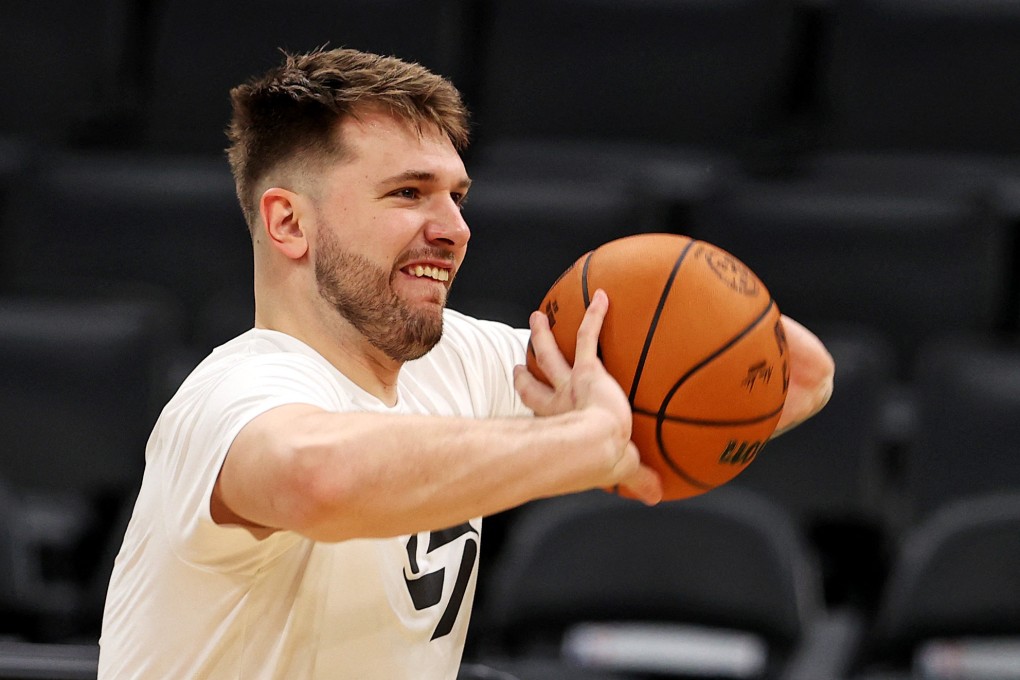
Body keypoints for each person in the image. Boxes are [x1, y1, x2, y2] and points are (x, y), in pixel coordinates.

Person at [98, 47, 834, 679]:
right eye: (409, 193)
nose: (454, 228)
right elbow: (316, 478)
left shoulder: (463, 361)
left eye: (457, 196)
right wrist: (581, 444)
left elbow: (797, 375)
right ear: (289, 222)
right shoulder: (233, 392)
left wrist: (673, 294)